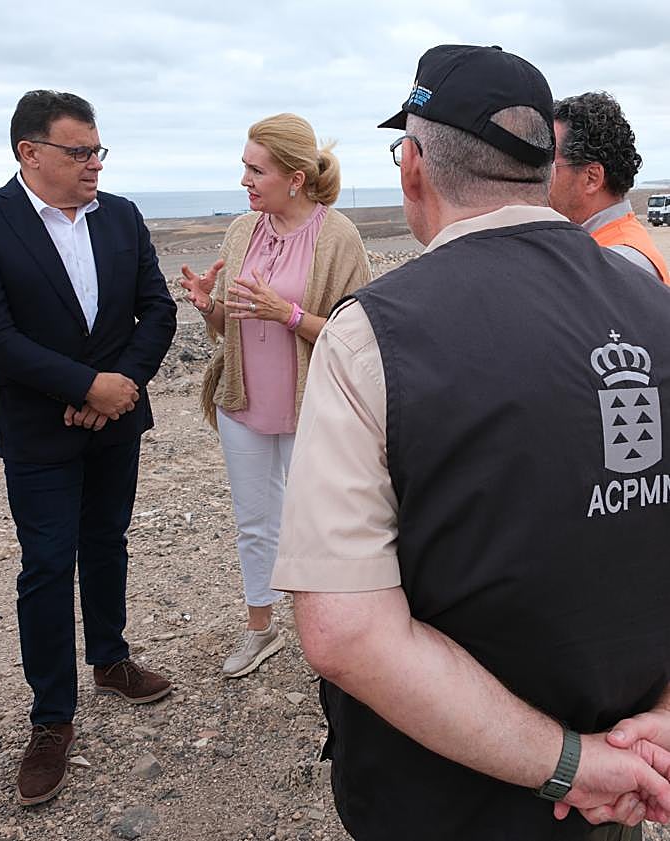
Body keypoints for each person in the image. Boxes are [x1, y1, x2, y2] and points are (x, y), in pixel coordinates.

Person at [271, 45, 670, 840]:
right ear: (543, 166)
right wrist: (654, 726)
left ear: (413, 167)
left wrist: (573, 764)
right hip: (631, 766)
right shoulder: (654, 304)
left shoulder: (372, 335)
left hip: (437, 799)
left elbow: (346, 631)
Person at [0, 90, 177, 806]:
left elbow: (158, 308)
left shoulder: (122, 214)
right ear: (31, 152)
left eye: (97, 150)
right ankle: (51, 718)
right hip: (40, 425)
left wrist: (121, 386)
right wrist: (87, 385)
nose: (93, 164)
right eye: (78, 151)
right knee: (47, 566)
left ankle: (111, 660)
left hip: (115, 418)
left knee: (107, 540)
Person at [180, 113, 370, 678]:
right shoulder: (242, 231)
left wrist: (284, 313)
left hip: (311, 404)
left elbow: (358, 333)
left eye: (254, 169)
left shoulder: (338, 237)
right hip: (243, 401)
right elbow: (231, 325)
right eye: (244, 165)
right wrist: (208, 305)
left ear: (293, 177)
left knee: (317, 523)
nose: (244, 179)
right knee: (254, 518)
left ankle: (334, 633)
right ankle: (261, 628)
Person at [550, 91, 669, 284]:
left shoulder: (621, 262)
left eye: (550, 167)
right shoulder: (598, 245)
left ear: (592, 178)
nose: (540, 178)